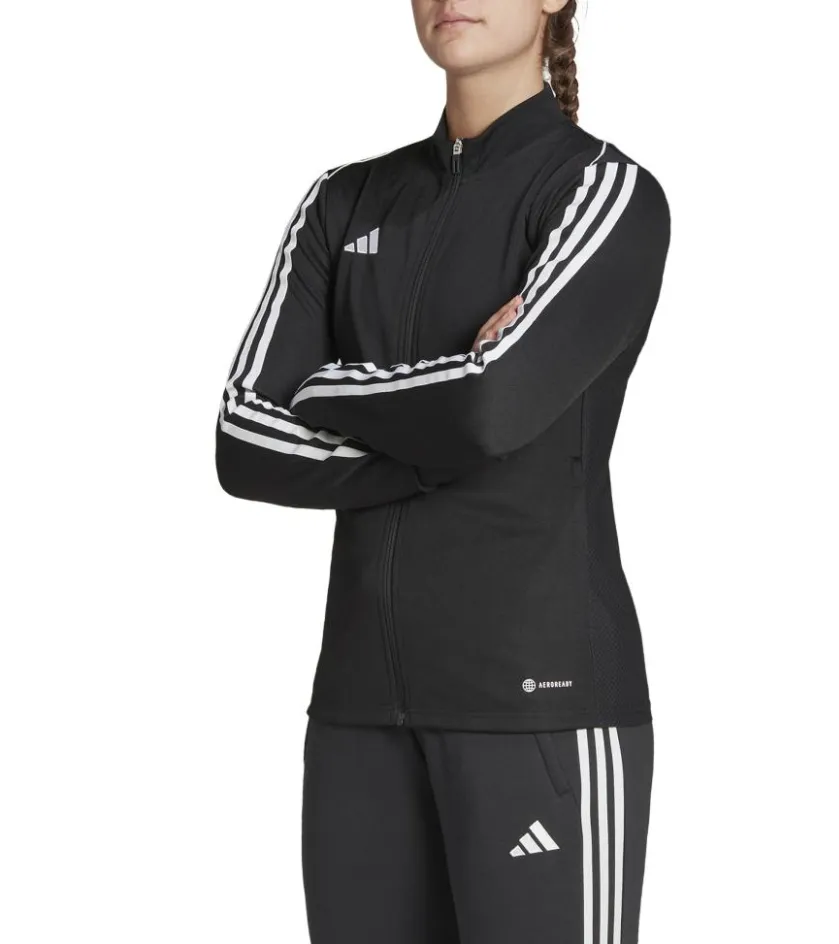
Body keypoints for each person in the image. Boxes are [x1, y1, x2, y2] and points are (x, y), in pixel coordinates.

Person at [215, 1, 671, 941]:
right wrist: (452, 422)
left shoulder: (599, 192)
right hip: (357, 713)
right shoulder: (343, 201)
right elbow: (246, 438)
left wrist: (329, 388)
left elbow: (489, 407)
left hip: (539, 707)